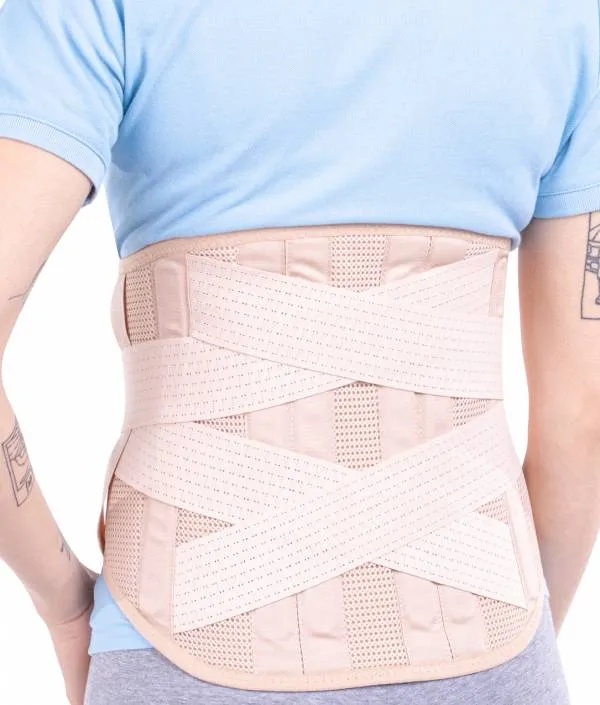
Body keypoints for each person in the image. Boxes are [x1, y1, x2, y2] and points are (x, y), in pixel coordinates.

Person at [0, 1, 598, 704]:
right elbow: (582, 419)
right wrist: (513, 637)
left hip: (179, 645)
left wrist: (63, 604)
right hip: (492, 648)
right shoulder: (569, 18)